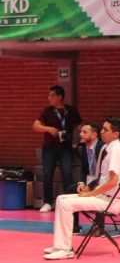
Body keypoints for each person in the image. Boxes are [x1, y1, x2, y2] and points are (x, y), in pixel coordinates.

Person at [42, 117, 120, 260]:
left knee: (65, 203)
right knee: (60, 199)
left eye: (105, 130)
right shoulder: (109, 148)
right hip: (103, 196)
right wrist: (89, 190)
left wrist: (91, 194)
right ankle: (60, 245)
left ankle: (66, 249)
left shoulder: (116, 150)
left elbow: (113, 182)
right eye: (102, 128)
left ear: (116, 134)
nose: (102, 132)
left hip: (111, 201)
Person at [32, 85, 83, 213]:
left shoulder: (71, 110)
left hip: (66, 147)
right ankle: (48, 202)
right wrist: (48, 129)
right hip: (49, 147)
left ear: (60, 97)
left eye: (52, 95)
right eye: (49, 95)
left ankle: (67, 201)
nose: (49, 98)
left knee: (67, 173)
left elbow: (79, 125)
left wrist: (85, 134)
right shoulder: (48, 111)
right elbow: (35, 126)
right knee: (48, 173)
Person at [69, 123, 106, 234]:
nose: (81, 134)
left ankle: (99, 228)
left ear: (94, 135)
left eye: (85, 132)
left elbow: (102, 173)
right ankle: (75, 227)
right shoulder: (84, 148)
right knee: (70, 189)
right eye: (81, 132)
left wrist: (90, 186)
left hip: (101, 181)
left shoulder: (102, 148)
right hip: (89, 179)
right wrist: (81, 182)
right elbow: (84, 170)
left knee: (100, 192)